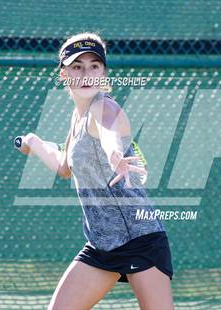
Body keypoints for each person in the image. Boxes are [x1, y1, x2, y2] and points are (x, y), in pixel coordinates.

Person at [16, 32, 174, 310]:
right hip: (102, 244)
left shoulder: (104, 107)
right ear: (63, 75)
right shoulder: (77, 117)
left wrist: (116, 155)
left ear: (104, 73)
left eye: (94, 65)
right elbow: (65, 167)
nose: (86, 73)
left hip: (140, 238)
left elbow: (109, 133)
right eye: (77, 66)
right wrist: (35, 143)